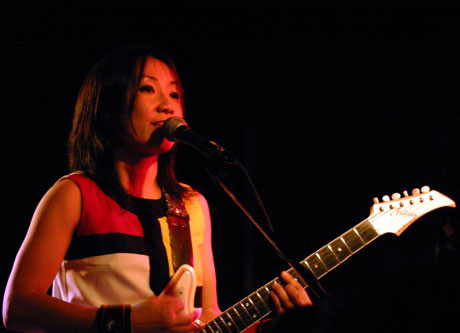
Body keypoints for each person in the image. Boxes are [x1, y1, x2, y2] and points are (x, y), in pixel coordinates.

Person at [2, 44, 312, 332]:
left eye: (175, 95)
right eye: (148, 88)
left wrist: (270, 325)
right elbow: (18, 307)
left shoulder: (192, 205)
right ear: (108, 102)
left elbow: (207, 318)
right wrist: (127, 321)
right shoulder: (74, 195)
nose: (167, 106)